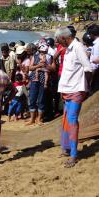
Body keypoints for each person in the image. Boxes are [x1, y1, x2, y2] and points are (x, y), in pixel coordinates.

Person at [54, 27, 93, 168]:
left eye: (59, 40)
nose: (58, 43)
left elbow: (88, 68)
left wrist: (85, 88)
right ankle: (68, 149)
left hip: (76, 91)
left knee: (72, 122)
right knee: (67, 121)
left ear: (65, 38)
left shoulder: (77, 47)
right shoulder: (70, 48)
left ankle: (73, 155)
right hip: (67, 91)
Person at [87, 24, 99, 94]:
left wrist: (90, 79)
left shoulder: (97, 45)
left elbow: (96, 62)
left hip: (96, 73)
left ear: (92, 34)